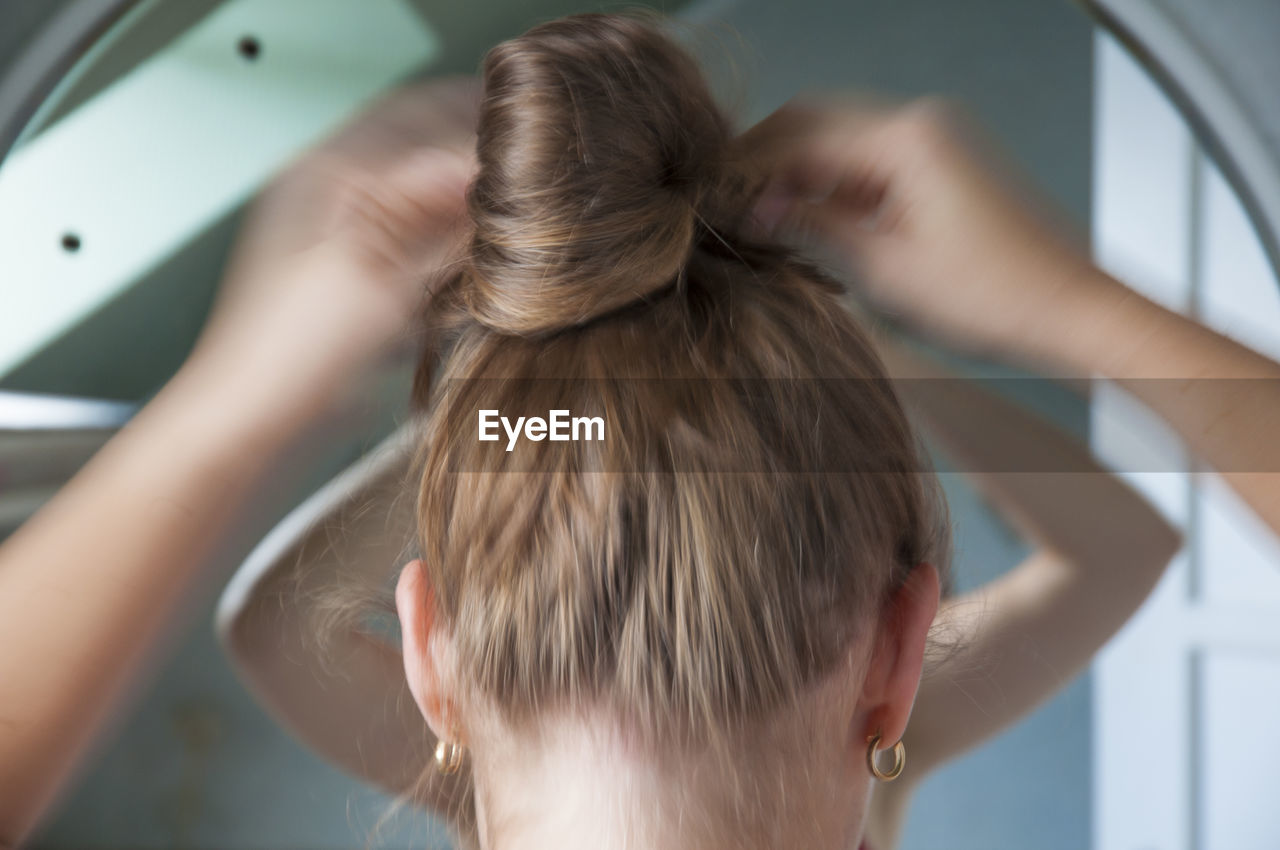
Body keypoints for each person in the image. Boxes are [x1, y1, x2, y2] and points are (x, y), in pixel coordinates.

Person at [1, 10, 1278, 850]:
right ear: (897, 653)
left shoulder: (455, 761)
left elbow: (268, 617)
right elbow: (1118, 546)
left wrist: (524, 403)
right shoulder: (886, 744)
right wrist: (961, 346)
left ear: (428, 651)